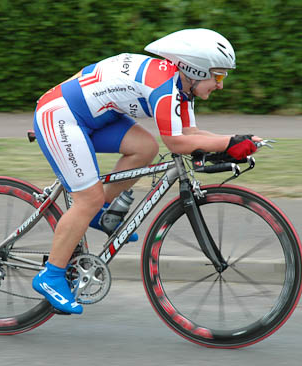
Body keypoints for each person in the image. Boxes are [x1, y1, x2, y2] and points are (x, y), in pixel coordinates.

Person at [31, 28, 261, 314]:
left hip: (90, 117)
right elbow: (177, 142)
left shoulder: (179, 86)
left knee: (145, 147)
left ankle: (99, 214)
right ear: (196, 70)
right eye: (218, 76)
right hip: (62, 117)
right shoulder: (165, 88)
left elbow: (190, 132)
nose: (220, 85)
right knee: (85, 200)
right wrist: (230, 142)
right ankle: (51, 276)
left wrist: (230, 143)